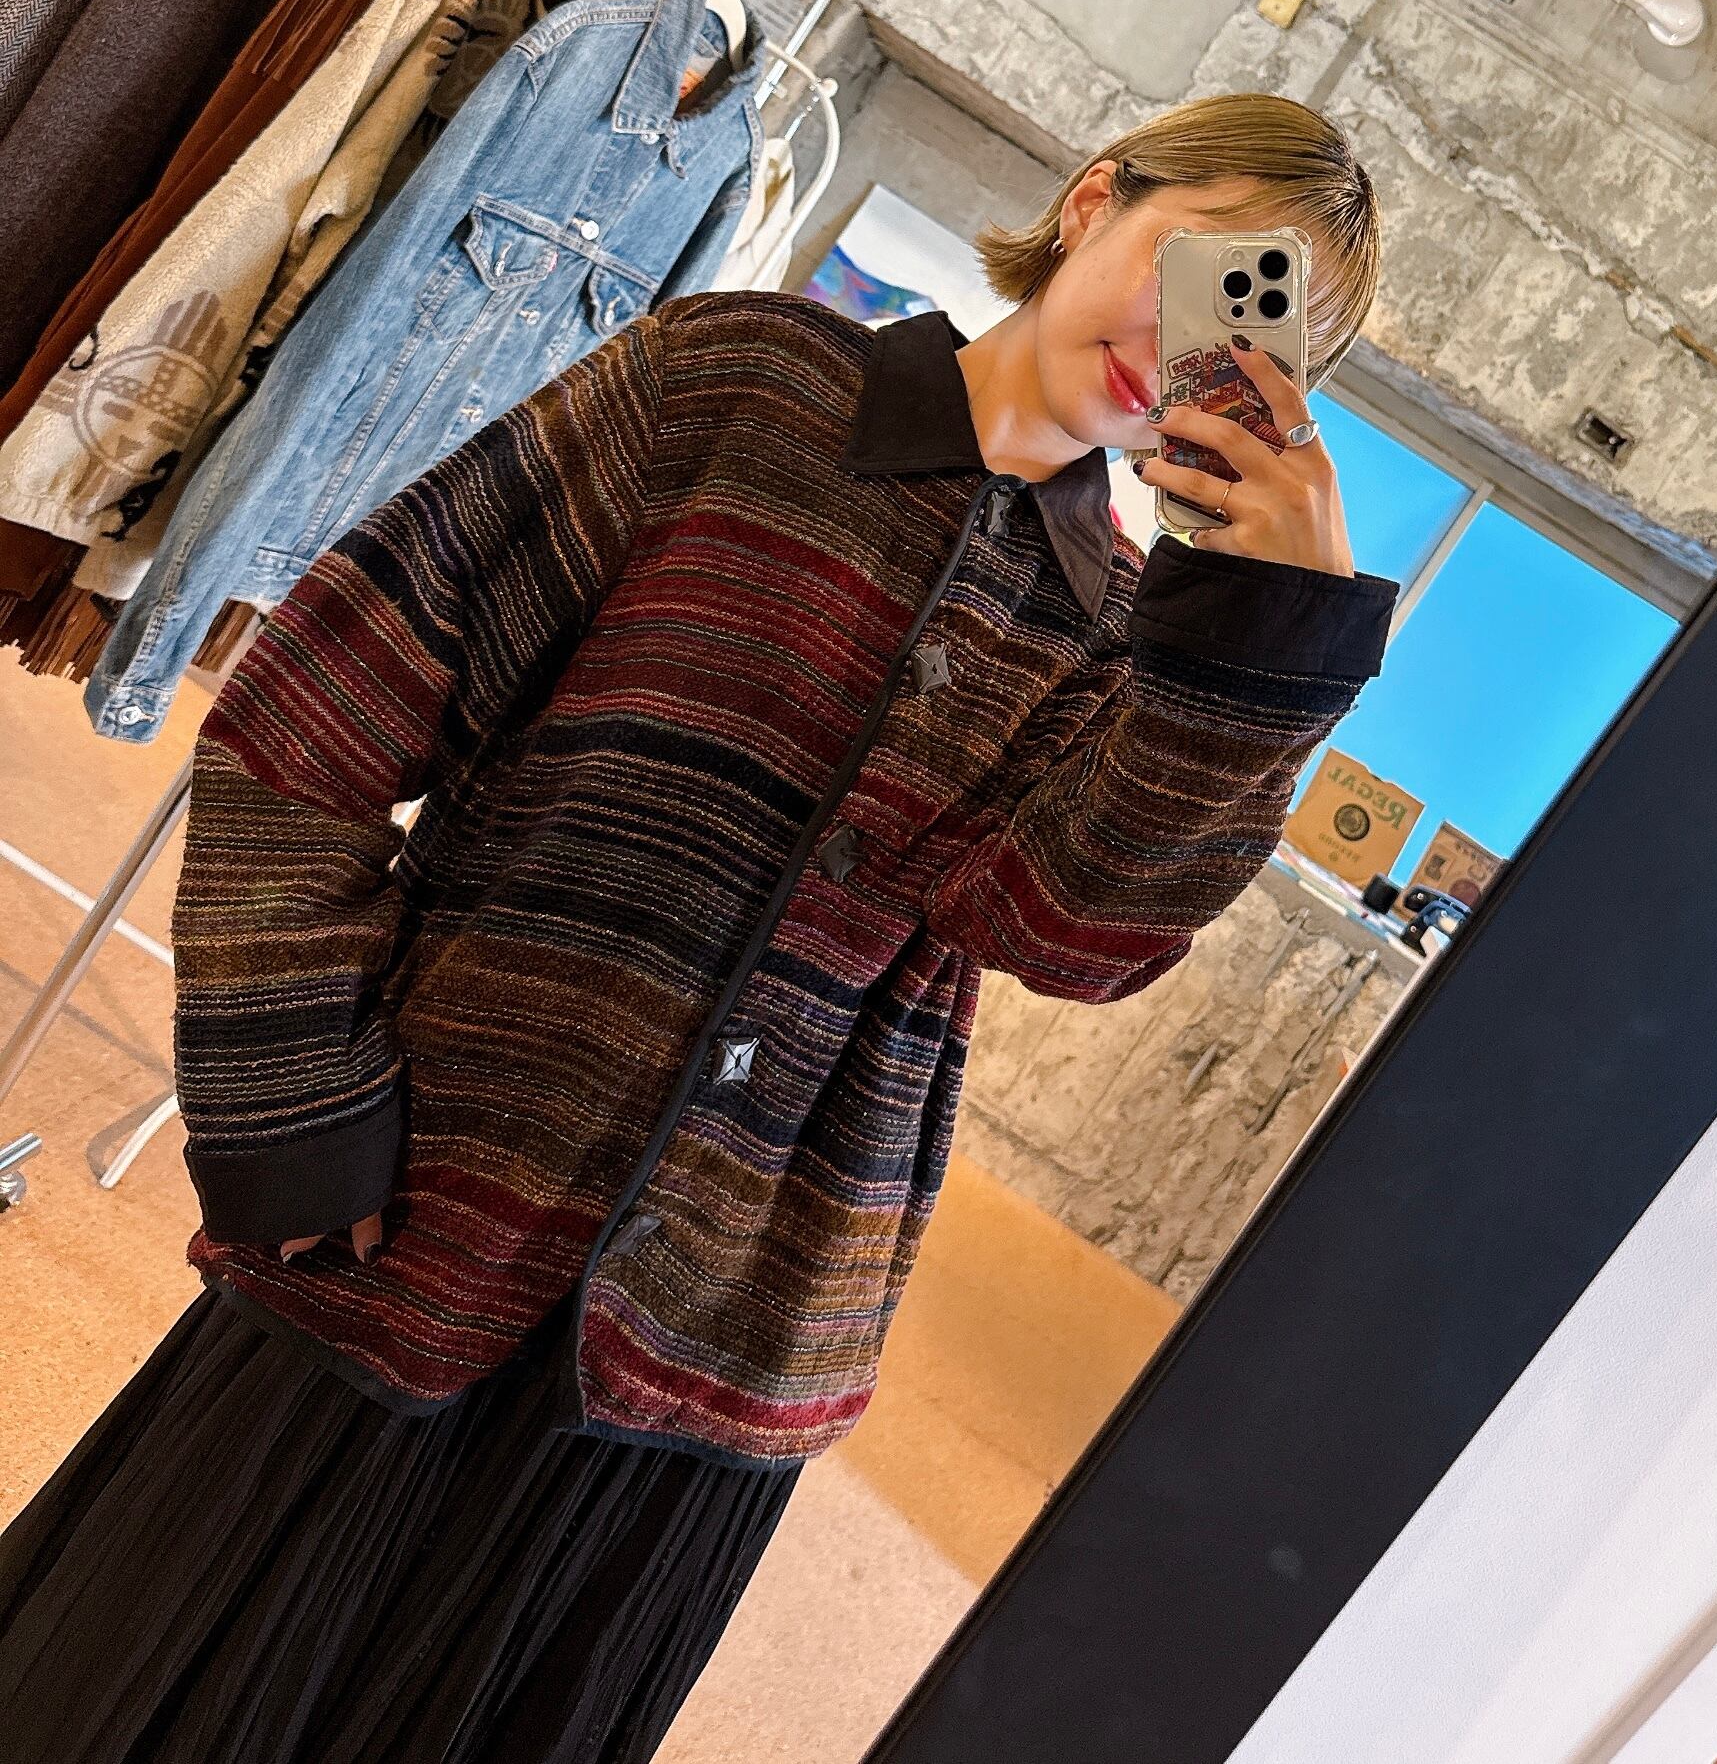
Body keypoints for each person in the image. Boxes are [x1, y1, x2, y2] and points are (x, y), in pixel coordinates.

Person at [0, 92, 1400, 1763]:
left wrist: (1258, 653)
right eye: (1200, 271)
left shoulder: (1126, 624)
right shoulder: (740, 382)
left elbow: (1070, 933)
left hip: (732, 1329)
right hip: (425, 1197)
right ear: (1095, 200)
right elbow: (318, 711)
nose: (1190, 350)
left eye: (1259, 335)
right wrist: (298, 1103)